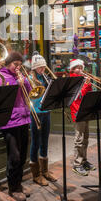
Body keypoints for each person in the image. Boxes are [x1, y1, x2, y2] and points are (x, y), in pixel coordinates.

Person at [0, 51, 31, 201]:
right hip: (10, 121)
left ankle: (18, 184)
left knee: (22, 156)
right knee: (14, 156)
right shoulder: (0, 76)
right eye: (15, 64)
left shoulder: (19, 75)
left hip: (24, 117)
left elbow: (27, 92)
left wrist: (25, 82)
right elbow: (2, 97)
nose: (18, 67)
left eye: (20, 65)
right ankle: (13, 188)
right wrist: (17, 84)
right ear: (8, 63)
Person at [29, 52, 57, 186]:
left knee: (45, 141)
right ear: (34, 68)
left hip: (46, 112)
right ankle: (36, 174)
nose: (43, 69)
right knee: (35, 142)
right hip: (36, 112)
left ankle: (45, 170)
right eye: (40, 67)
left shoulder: (45, 77)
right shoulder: (30, 78)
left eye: (44, 67)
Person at [68, 59, 95, 176]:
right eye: (77, 67)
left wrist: (88, 85)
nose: (80, 69)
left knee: (86, 138)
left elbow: (87, 94)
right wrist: (85, 86)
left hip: (85, 109)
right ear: (72, 69)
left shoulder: (82, 79)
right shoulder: (71, 81)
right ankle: (77, 163)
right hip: (77, 111)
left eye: (81, 67)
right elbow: (77, 96)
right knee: (79, 139)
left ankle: (83, 160)